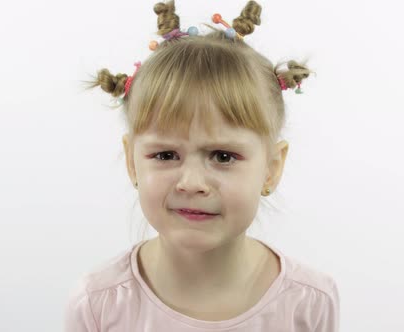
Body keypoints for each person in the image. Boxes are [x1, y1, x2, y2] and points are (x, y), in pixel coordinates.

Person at [66, 1, 339, 331]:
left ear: (271, 168)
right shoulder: (99, 304)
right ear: (132, 162)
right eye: (166, 155)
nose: (192, 182)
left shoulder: (309, 303)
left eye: (223, 156)